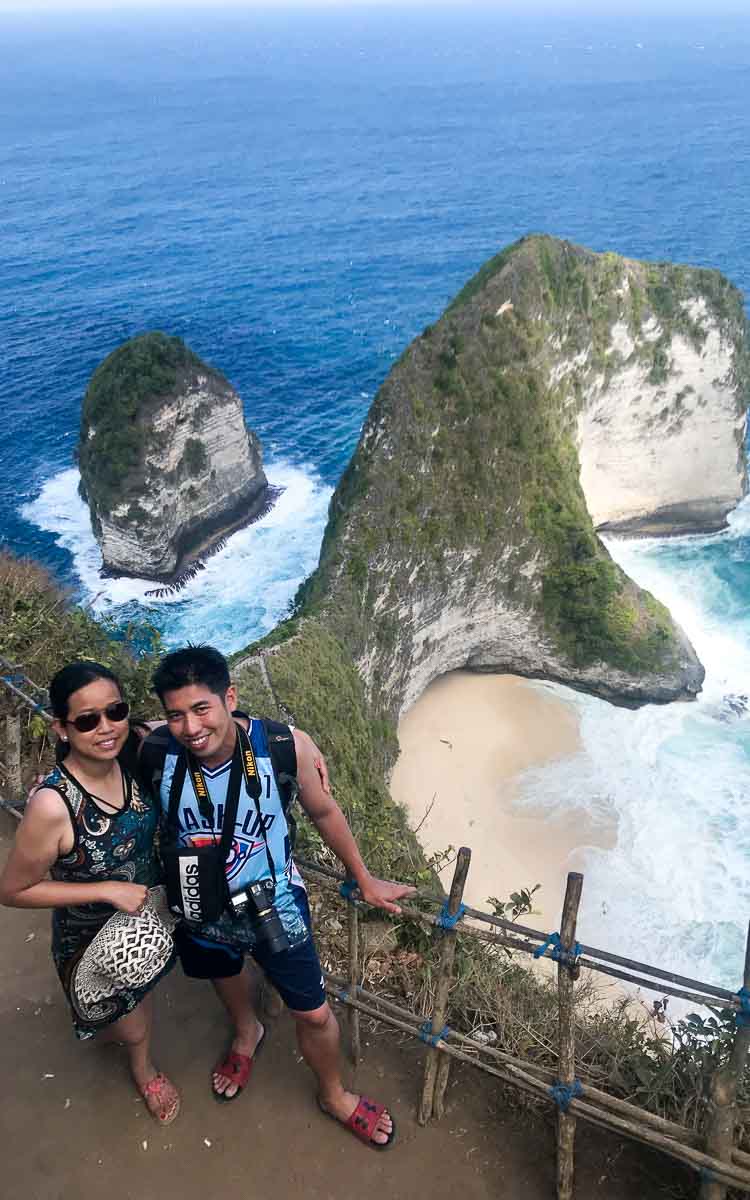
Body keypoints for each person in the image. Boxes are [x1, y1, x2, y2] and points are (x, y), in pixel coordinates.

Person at [147, 644, 415, 1148]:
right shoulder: (157, 752)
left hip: (275, 901)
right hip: (200, 900)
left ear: (230, 697)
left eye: (201, 708)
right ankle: (247, 1031)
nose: (190, 727)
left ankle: (333, 1093)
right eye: (175, 715)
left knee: (314, 1011)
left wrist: (363, 875)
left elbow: (325, 812)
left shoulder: (281, 747)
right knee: (222, 973)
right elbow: (106, 748)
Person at [0, 660, 180, 1125]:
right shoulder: (53, 806)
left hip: (148, 916)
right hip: (93, 937)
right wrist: (107, 889)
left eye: (114, 711)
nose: (106, 728)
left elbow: (188, 722)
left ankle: (122, 1033)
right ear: (61, 728)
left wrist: (292, 744)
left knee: (140, 989)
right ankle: (144, 1069)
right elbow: (13, 890)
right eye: (87, 720)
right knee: (133, 1019)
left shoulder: (131, 752)